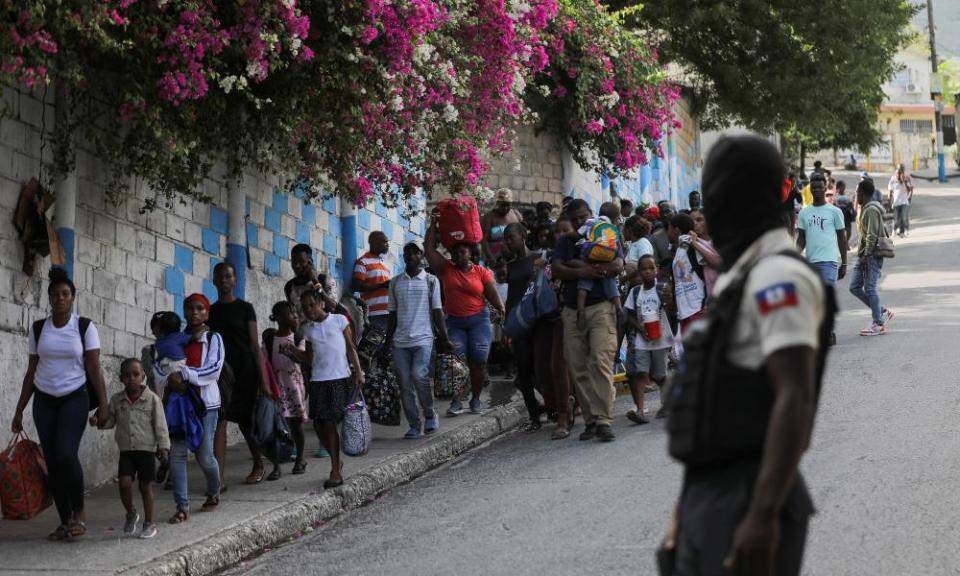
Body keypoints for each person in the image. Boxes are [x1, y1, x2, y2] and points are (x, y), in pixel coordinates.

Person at [664, 135, 833, 576]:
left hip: (748, 499)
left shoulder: (778, 276)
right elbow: (712, 405)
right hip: (712, 495)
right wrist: (685, 511)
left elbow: (794, 396)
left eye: (718, 195)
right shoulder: (744, 274)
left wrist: (761, 516)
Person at [11, 268, 109, 541]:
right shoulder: (39, 328)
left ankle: (79, 513)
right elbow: (31, 372)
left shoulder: (85, 327)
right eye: (55, 294)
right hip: (44, 400)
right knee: (52, 463)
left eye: (65, 294)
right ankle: (66, 520)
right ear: (49, 298)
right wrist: (19, 409)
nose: (60, 298)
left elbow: (94, 368)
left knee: (66, 454)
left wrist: (103, 404)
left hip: (74, 398)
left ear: (73, 297)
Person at [552, 199, 623, 442]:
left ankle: (603, 419)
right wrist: (582, 272)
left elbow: (618, 264)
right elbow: (557, 268)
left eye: (584, 216)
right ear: (570, 222)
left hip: (601, 306)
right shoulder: (565, 241)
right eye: (576, 219)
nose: (581, 222)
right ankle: (591, 420)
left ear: (591, 214)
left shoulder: (605, 234)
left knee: (600, 361)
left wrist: (597, 270)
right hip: (572, 310)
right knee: (578, 366)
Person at [425, 218, 505, 416]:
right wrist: (434, 224)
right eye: (455, 252)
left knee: (478, 361)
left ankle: (475, 399)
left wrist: (503, 311)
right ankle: (457, 400)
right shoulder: (446, 269)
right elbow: (428, 250)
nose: (458, 255)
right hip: (454, 322)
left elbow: (493, 295)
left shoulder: (482, 272)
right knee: (456, 362)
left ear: (470, 253)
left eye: (463, 251)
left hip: (479, 320)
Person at [156, 293, 224, 523]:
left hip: (205, 404)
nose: (194, 313)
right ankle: (182, 506)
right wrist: (168, 378)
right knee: (178, 453)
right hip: (179, 404)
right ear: (184, 312)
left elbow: (214, 369)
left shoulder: (214, 338)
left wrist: (185, 375)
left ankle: (214, 490)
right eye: (190, 308)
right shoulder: (176, 338)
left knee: (205, 456)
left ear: (207, 312)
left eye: (200, 308)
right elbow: (161, 366)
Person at [209, 261, 271, 486]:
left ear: (235, 280)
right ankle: (218, 479)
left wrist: (263, 380)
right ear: (214, 280)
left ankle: (259, 462)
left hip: (245, 370)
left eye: (228, 276)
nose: (224, 281)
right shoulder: (211, 311)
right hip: (222, 373)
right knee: (221, 421)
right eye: (220, 277)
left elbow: (255, 346)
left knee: (245, 421)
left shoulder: (245, 308)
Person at [296, 289, 364, 489]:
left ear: (322, 304)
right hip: (318, 381)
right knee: (318, 425)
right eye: (305, 307)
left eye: (312, 305)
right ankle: (336, 458)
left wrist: (359, 372)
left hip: (338, 378)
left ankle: (335, 468)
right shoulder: (308, 330)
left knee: (328, 421)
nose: (309, 310)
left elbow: (351, 348)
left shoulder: (339, 320)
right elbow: (309, 359)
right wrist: (293, 352)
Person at [95, 358, 169, 539]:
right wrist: (98, 421)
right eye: (127, 375)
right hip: (127, 451)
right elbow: (110, 421)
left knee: (145, 487)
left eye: (136, 374)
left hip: (146, 450)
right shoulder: (116, 400)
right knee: (124, 483)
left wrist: (164, 447)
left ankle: (149, 523)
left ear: (143, 376)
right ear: (121, 378)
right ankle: (131, 513)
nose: (132, 378)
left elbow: (161, 426)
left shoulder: (152, 400)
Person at [385, 241, 452, 439]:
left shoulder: (431, 281)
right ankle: (414, 424)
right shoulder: (395, 282)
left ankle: (430, 414)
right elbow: (392, 315)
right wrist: (387, 342)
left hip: (423, 338)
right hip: (400, 342)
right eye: (407, 253)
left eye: (414, 253)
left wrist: (445, 337)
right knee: (404, 383)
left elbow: (437, 311)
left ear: (421, 257)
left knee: (418, 375)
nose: (410, 256)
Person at [502, 224, 550, 429]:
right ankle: (534, 417)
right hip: (520, 323)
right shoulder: (511, 266)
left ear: (523, 235)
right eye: (506, 239)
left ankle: (555, 406)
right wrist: (507, 328)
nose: (508, 242)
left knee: (543, 368)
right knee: (523, 371)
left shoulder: (538, 258)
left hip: (539, 321)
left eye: (511, 237)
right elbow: (511, 298)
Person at [623, 255, 674, 424]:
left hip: (661, 339)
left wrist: (669, 299)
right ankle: (640, 411)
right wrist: (640, 328)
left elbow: (671, 312)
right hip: (642, 339)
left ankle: (668, 403)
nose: (648, 272)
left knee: (659, 374)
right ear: (639, 272)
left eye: (651, 268)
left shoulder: (662, 288)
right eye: (644, 269)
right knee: (640, 372)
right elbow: (628, 316)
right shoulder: (635, 291)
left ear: (657, 269)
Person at [263, 301, 308, 477]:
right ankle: (276, 465)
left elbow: (302, 359)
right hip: (276, 386)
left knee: (296, 425)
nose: (295, 316)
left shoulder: (298, 338)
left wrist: (291, 351)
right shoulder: (269, 340)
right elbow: (264, 362)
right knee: (276, 428)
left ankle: (300, 458)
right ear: (279, 318)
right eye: (290, 313)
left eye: (295, 313)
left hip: (294, 386)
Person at [850, 179, 893, 337]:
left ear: (862, 193)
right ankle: (881, 311)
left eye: (856, 193)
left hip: (871, 255)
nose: (856, 196)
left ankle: (878, 323)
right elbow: (863, 233)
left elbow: (872, 235)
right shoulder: (865, 208)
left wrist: (867, 254)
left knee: (869, 288)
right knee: (854, 287)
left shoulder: (872, 210)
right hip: (863, 254)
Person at [572, 201, 623, 330]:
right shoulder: (612, 227)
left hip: (590, 256)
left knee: (584, 283)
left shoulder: (591, 222)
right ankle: (618, 307)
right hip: (607, 258)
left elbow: (579, 234)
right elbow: (616, 247)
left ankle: (581, 309)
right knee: (610, 281)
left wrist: (575, 239)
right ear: (616, 218)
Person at [797, 172, 848, 287]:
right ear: (810, 188)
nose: (816, 190)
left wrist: (844, 263)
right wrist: (792, 256)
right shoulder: (803, 213)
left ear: (825, 188)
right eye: (814, 187)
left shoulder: (835, 212)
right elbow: (801, 239)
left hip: (829, 263)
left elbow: (842, 239)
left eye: (820, 187)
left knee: (827, 301)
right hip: (810, 264)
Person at [669, 213, 707, 335]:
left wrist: (696, 242)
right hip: (684, 311)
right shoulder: (678, 250)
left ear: (676, 230)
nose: (667, 232)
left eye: (669, 229)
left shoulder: (693, 246)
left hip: (697, 309)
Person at [285, 243, 340, 326]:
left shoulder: (325, 280)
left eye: (301, 261)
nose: (297, 265)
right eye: (294, 262)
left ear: (310, 262)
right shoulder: (289, 287)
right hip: (305, 335)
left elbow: (334, 308)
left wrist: (316, 282)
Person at [352, 231, 392, 330]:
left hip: (389, 313)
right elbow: (357, 286)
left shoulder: (385, 265)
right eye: (385, 242)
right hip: (374, 314)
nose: (388, 245)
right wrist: (381, 285)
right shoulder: (362, 262)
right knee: (375, 344)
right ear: (374, 243)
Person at [480, 188, 523, 263]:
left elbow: (521, 236)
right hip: (494, 257)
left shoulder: (516, 215)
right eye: (503, 205)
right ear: (498, 203)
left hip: (514, 258)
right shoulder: (490, 217)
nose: (505, 208)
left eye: (508, 205)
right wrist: (491, 258)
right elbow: (484, 240)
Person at [688, 209, 722, 296]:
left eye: (699, 220)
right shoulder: (690, 247)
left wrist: (696, 244)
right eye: (692, 222)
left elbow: (718, 263)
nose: (695, 223)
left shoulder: (720, 240)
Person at [888, 164, 914, 238]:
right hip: (896, 202)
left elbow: (910, 189)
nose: (900, 171)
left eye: (901, 170)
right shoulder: (893, 179)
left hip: (904, 201)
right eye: (899, 170)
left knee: (904, 217)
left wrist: (904, 182)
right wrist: (889, 201)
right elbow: (890, 190)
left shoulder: (907, 178)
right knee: (896, 218)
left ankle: (904, 231)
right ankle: (894, 230)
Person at [834, 180, 856, 246]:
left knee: (849, 233)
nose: (844, 188)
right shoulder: (835, 198)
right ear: (838, 188)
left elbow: (851, 206)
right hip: (839, 218)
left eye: (844, 186)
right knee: (840, 233)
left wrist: (853, 212)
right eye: (842, 186)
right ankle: (843, 245)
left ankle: (846, 243)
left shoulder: (848, 197)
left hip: (847, 217)